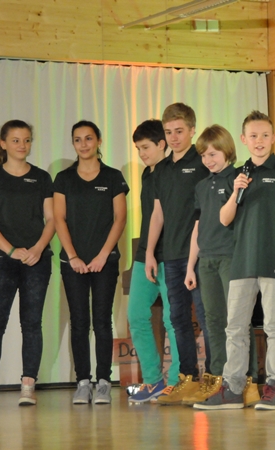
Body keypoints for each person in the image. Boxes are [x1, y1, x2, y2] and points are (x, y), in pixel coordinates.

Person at [194, 110, 275, 411]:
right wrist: (236, 191)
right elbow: (224, 218)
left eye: (265, 135)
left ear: (273, 138)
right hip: (242, 261)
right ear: (244, 139)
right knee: (235, 327)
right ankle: (233, 388)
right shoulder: (239, 173)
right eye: (254, 136)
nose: (259, 141)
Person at [0, 120, 55, 407]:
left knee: (31, 323)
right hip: (3, 260)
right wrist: (10, 251)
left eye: (27, 140)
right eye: (16, 140)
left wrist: (37, 249)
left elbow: (52, 218)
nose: (22, 145)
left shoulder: (42, 177)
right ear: (3, 143)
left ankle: (28, 386)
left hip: (37, 259)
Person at [182, 125, 260, 407]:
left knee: (237, 321)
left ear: (227, 151)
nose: (208, 160)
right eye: (203, 155)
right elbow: (198, 226)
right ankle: (219, 377)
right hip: (207, 260)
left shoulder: (238, 179)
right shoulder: (202, 186)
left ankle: (248, 380)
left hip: (232, 257)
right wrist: (191, 266)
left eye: (213, 154)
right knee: (213, 320)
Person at [54, 120, 129, 405]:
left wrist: (102, 255)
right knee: (79, 321)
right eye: (77, 139)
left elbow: (119, 219)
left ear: (98, 141)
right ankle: (82, 382)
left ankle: (103, 382)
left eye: (88, 138)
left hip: (104, 262)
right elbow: (59, 219)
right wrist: (73, 256)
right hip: (72, 262)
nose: (83, 144)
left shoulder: (112, 177)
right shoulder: (63, 178)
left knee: (102, 320)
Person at [145, 103, 211, 405]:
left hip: (200, 253)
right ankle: (187, 378)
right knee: (178, 319)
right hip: (170, 255)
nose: (173, 137)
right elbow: (157, 213)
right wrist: (149, 252)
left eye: (179, 131)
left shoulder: (203, 162)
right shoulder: (161, 169)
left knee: (207, 317)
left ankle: (214, 379)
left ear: (192, 130)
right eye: (169, 132)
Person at [126, 120, 180, 404]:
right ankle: (153, 380)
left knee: (173, 319)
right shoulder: (147, 174)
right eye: (138, 149)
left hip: (171, 254)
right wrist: (147, 251)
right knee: (136, 315)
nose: (142, 154)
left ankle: (177, 382)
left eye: (145, 147)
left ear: (162, 144)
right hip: (145, 253)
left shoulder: (174, 171)